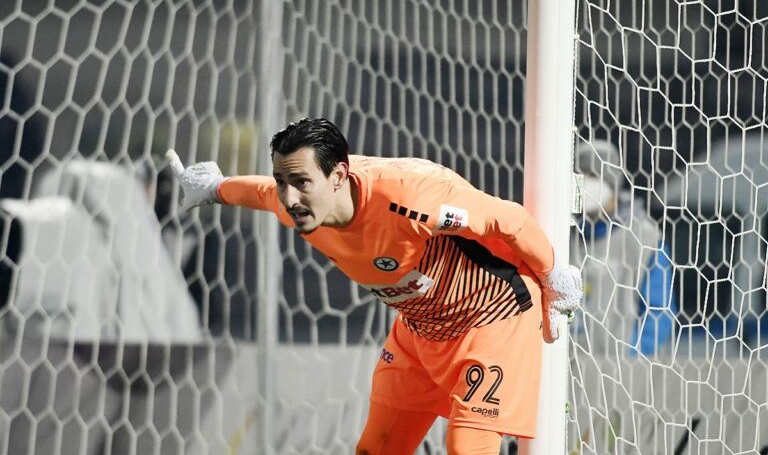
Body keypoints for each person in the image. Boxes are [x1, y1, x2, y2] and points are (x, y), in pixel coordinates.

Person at [167, 118, 582, 454]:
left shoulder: (410, 199)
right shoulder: (293, 202)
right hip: (420, 329)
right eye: (282, 181)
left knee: (466, 448)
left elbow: (509, 220)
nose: (289, 198)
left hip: (490, 316)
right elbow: (257, 192)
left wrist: (553, 275)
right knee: (376, 449)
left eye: (301, 182)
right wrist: (212, 188)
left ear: (338, 176)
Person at [571, 139, 678, 356]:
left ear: (611, 182)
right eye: (580, 176)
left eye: (593, 176)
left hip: (619, 369)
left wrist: (632, 357)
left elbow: (660, 313)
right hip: (570, 367)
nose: (586, 184)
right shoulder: (566, 234)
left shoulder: (644, 238)